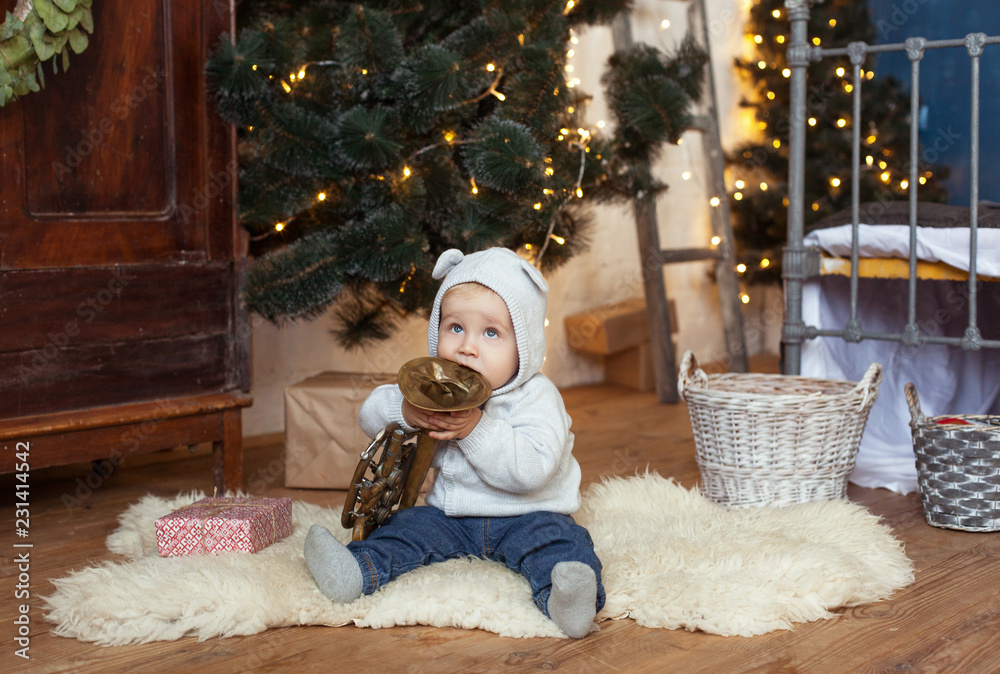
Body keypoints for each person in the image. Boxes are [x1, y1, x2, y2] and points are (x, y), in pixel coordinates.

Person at [304, 247, 605, 638]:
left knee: (564, 545)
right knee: (405, 529)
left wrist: (475, 429)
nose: (467, 347)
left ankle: (566, 601)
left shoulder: (538, 397)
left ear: (525, 345)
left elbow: (531, 471)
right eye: (455, 327)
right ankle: (356, 571)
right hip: (451, 517)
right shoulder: (436, 385)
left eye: (491, 333)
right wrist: (406, 411)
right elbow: (369, 413)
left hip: (530, 515)